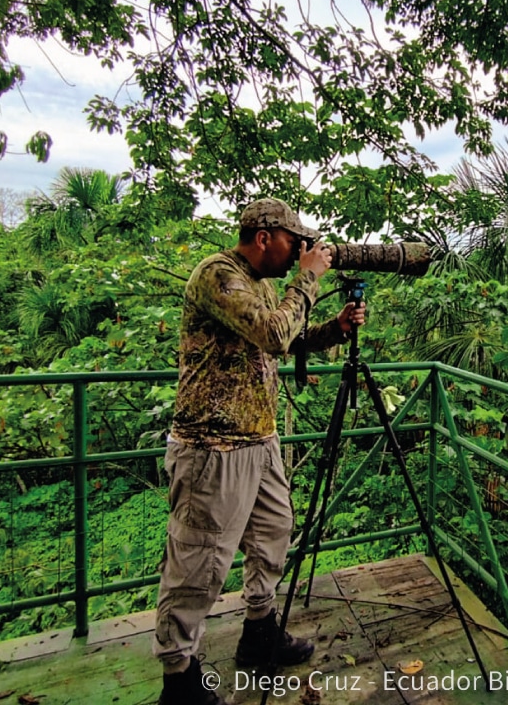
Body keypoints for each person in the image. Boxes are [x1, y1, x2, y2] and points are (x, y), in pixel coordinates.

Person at [153, 198, 366, 705]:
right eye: (295, 242)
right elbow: (271, 334)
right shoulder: (218, 275)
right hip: (213, 448)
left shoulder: (263, 285)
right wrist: (309, 279)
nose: (300, 252)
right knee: (200, 561)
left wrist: (333, 329)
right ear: (266, 235)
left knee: (273, 535)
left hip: (259, 439)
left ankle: (258, 631)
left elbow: (285, 340)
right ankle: (178, 676)